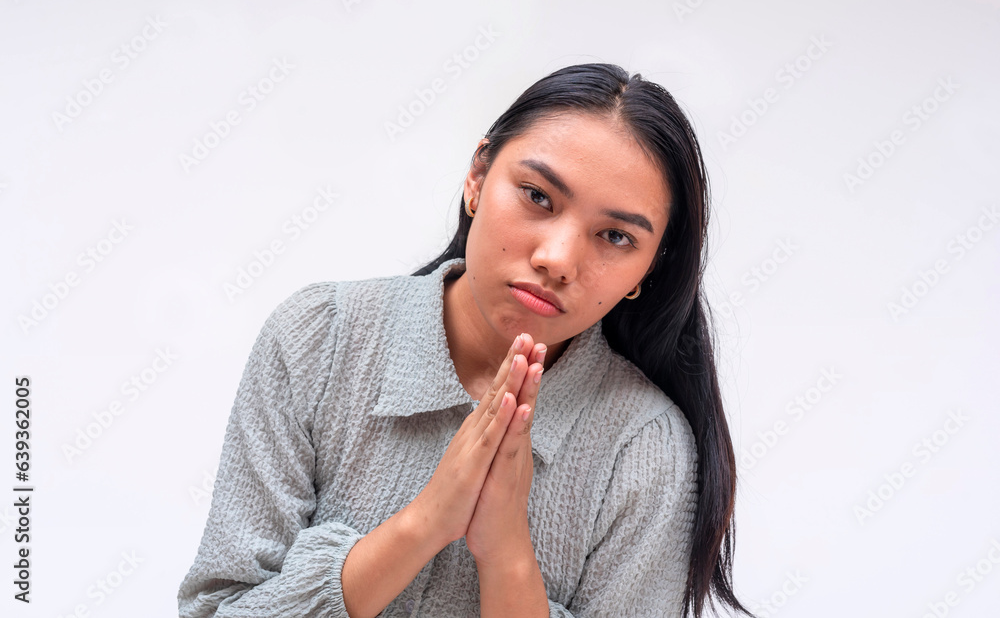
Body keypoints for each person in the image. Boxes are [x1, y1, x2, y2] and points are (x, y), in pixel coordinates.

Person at [178, 62, 755, 617]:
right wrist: (423, 523)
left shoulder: (645, 448)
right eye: (538, 196)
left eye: (615, 236)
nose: (557, 259)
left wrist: (507, 554)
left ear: (647, 270)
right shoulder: (319, 338)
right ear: (477, 178)